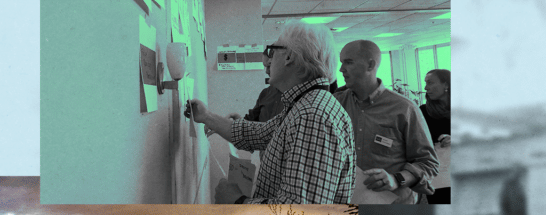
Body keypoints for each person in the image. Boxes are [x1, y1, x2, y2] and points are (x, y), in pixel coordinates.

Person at [188, 22, 356, 204]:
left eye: (272, 50)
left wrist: (236, 202)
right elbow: (255, 134)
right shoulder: (305, 106)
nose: (268, 60)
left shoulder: (312, 116)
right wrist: (206, 116)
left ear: (289, 57)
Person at [334, 40, 438, 204]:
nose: (341, 69)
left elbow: (428, 163)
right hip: (348, 206)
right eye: (341, 63)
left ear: (370, 65)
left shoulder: (404, 108)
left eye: (348, 62)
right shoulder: (336, 105)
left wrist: (396, 179)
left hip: (394, 208)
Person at [420, 68, 451, 205]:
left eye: (430, 83)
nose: (426, 88)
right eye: (425, 83)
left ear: (446, 85)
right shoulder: (423, 111)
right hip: (438, 175)